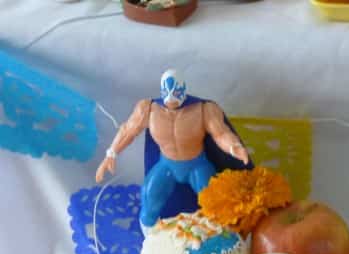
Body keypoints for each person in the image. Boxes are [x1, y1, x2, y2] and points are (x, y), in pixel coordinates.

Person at [95, 70, 250, 230]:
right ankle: (150, 244)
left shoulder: (203, 109)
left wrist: (234, 147)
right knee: (149, 197)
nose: (171, 98)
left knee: (215, 203)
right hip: (167, 165)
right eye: (166, 92)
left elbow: (221, 133)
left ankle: (219, 243)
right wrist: (111, 153)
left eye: (176, 92)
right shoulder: (149, 109)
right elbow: (128, 130)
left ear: (183, 88)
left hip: (197, 165)